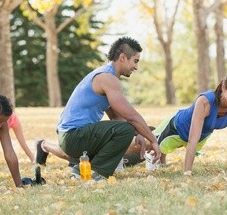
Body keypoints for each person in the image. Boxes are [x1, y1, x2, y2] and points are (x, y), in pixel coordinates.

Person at [36, 36, 161, 180]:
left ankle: (80, 169)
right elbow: (131, 116)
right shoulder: (107, 78)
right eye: (135, 61)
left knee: (125, 129)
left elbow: (117, 117)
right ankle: (96, 172)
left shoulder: (105, 75)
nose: (136, 67)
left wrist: (139, 132)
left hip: (71, 136)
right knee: (125, 130)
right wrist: (153, 140)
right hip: (73, 137)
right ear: (122, 57)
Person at [154, 71, 227, 176]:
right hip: (177, 126)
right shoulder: (205, 102)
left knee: (175, 145)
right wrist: (187, 173)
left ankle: (162, 159)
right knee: (147, 147)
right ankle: (157, 154)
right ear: (224, 87)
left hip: (201, 135)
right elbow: (192, 139)